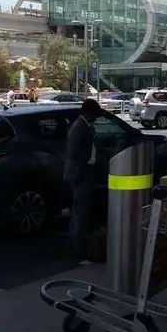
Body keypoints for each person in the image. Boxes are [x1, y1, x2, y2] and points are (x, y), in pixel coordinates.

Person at [64, 99, 100, 258]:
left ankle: (73, 241)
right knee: (80, 210)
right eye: (95, 114)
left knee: (78, 209)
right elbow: (73, 153)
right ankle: (78, 246)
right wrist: (80, 171)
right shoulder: (79, 127)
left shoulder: (86, 125)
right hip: (80, 174)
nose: (97, 117)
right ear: (89, 112)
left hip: (83, 172)